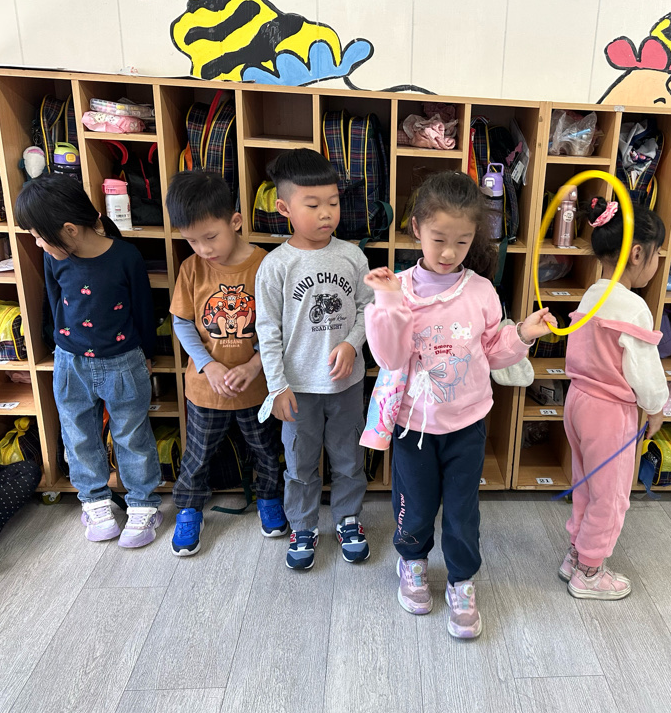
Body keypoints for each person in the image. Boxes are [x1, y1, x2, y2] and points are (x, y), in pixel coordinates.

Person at [364, 170, 556, 639]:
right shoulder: (397, 287)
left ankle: (461, 581)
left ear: (475, 239)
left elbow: (493, 352)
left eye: (462, 242)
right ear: (416, 229)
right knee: (414, 504)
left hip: (467, 424)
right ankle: (412, 563)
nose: (449, 252)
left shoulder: (481, 290)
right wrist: (388, 302)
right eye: (439, 239)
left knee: (463, 510)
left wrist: (523, 333)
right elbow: (389, 358)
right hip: (413, 425)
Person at [15, 175, 163, 548]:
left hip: (124, 361)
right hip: (71, 362)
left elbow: (144, 309)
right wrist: (59, 345)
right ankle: (95, 502)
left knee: (132, 434)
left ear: (69, 229)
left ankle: (143, 504)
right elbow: (53, 302)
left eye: (39, 236)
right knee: (78, 434)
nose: (37, 243)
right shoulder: (55, 257)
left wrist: (147, 353)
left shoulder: (125, 257)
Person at [255, 149, 374, 570]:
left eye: (333, 203)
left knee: (349, 459)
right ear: (284, 208)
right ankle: (303, 525)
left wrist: (352, 344)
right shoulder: (276, 265)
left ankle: (348, 519)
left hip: (346, 385)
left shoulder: (352, 256)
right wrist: (277, 387)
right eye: (313, 205)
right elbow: (267, 331)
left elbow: (368, 307)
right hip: (297, 389)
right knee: (300, 463)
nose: (326, 213)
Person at [166, 171, 286, 556]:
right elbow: (182, 322)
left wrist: (255, 365)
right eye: (191, 240)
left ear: (235, 221)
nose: (203, 249)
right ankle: (189, 509)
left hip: (257, 387)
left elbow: (280, 326)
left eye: (210, 237)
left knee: (266, 451)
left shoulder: (265, 265)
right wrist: (208, 365)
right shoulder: (191, 269)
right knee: (197, 455)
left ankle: (270, 499)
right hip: (207, 390)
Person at [557, 198, 667, 600]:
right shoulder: (634, 307)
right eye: (657, 253)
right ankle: (589, 572)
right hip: (609, 412)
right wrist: (656, 408)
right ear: (637, 254)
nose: (657, 262)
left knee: (586, 484)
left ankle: (576, 553)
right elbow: (644, 369)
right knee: (612, 494)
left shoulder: (592, 294)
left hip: (578, 402)